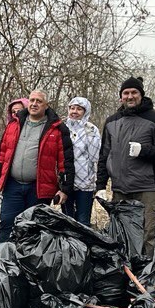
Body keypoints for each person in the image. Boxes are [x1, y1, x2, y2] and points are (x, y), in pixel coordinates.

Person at [96, 77, 155, 255]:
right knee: (121, 234)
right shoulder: (111, 122)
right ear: (121, 97)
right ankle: (125, 275)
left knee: (149, 234)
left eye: (134, 92)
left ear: (141, 95)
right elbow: (104, 155)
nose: (130, 96)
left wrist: (145, 150)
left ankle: (147, 276)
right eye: (126, 93)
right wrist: (100, 185)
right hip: (120, 190)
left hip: (148, 189)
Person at [0, 90, 74, 240]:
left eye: (39, 101)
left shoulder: (57, 128)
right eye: (32, 100)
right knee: (7, 224)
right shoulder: (14, 124)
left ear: (46, 105)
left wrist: (64, 189)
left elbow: (66, 161)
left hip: (39, 188)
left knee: (34, 228)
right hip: (13, 186)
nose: (34, 104)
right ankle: (4, 260)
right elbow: (2, 154)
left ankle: (28, 262)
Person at [63, 97, 101, 226]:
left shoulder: (91, 129)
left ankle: (83, 245)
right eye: (72, 108)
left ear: (85, 111)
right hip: (65, 182)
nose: (74, 111)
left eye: (79, 109)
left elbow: (95, 156)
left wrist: (90, 137)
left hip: (85, 182)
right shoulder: (62, 127)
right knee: (67, 220)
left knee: (83, 221)